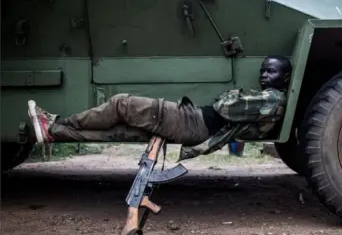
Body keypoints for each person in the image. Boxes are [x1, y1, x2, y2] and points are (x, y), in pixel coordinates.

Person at [27, 55, 292, 161]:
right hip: (195, 127)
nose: (264, 75)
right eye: (262, 71)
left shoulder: (272, 99)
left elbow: (224, 105)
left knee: (122, 104)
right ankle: (53, 131)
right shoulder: (270, 100)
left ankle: (60, 120)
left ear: (286, 77)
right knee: (118, 131)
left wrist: (232, 94)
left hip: (191, 121)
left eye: (271, 71)